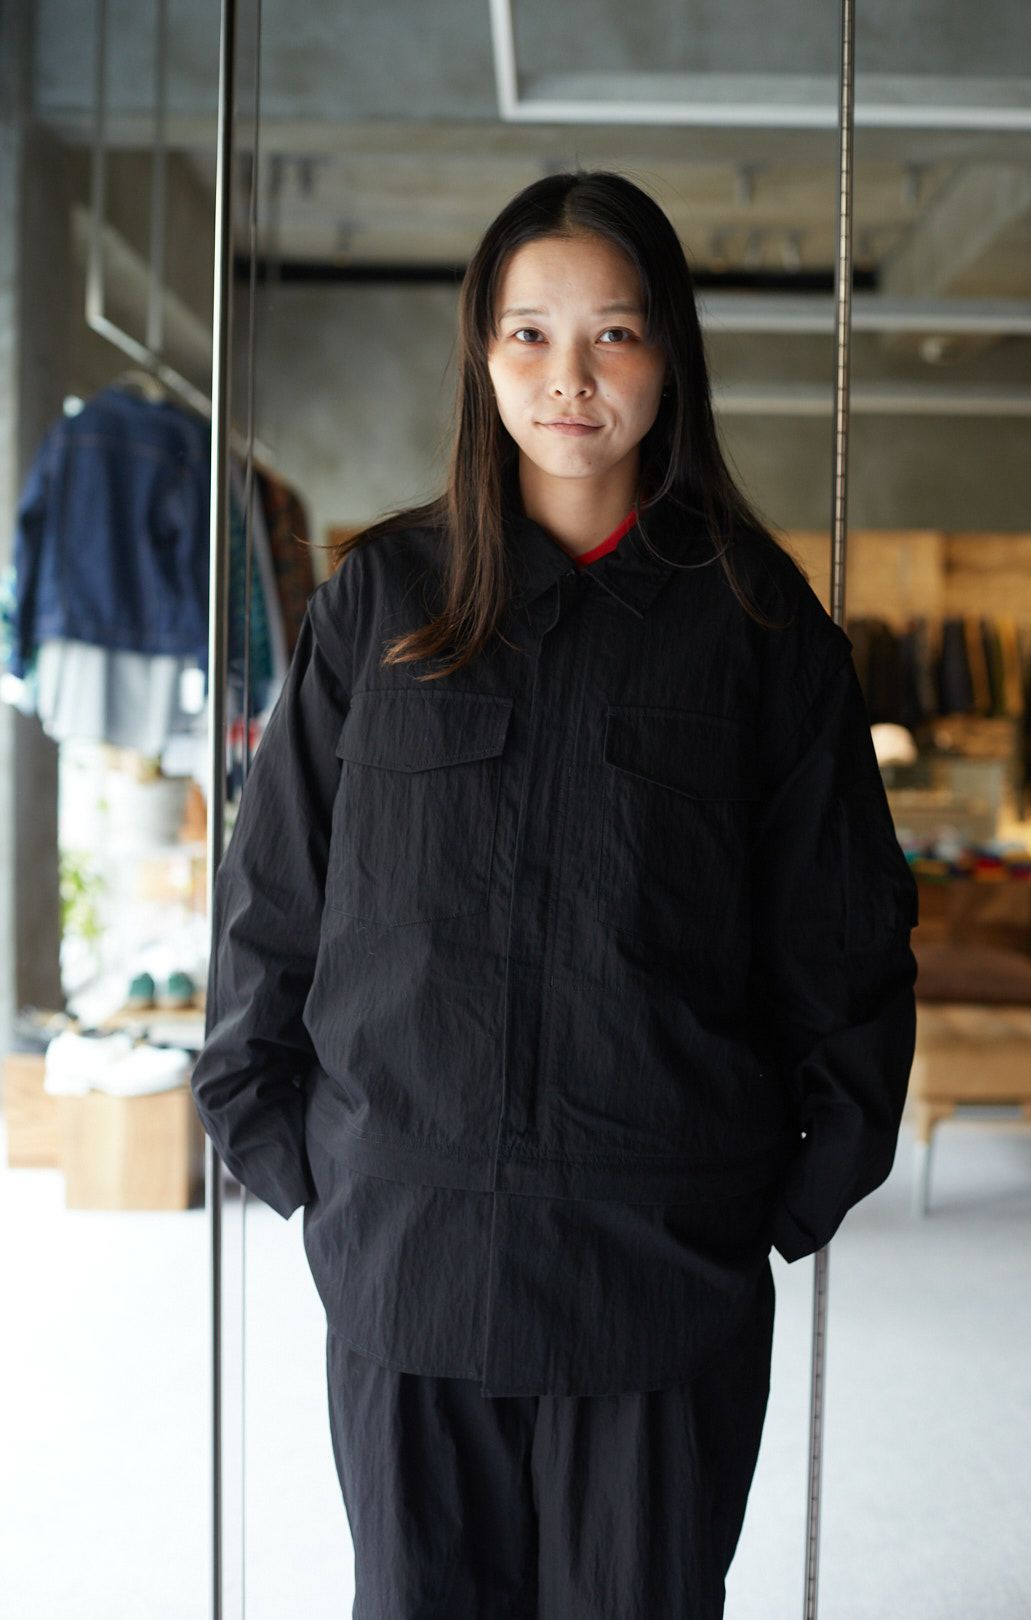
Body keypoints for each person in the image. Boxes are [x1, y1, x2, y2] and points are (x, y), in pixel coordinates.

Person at [190, 168, 919, 1618]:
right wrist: (292, 1159)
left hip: (658, 1273)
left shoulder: (761, 625)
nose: (568, 377)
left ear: (670, 354)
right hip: (408, 1253)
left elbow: (844, 938)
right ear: (482, 352)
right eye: (529, 333)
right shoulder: (380, 603)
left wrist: (785, 1198)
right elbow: (273, 899)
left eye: (613, 334)